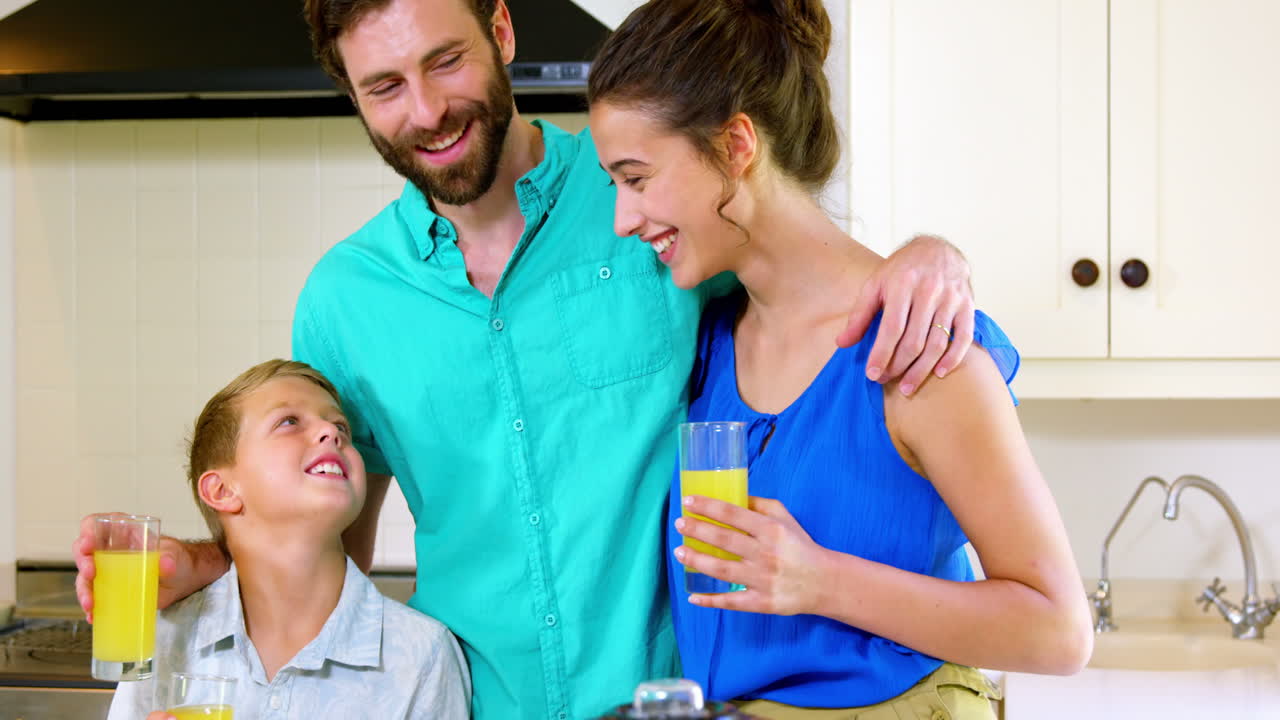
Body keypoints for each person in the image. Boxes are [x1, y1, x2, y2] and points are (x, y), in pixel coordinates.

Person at [74, 1, 981, 718]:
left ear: (502, 30)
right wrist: (208, 564)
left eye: (445, 60)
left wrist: (930, 254)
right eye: (383, 85)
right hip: (468, 706)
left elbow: (801, 263)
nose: (425, 112)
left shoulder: (645, 196)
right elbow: (316, 564)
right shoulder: (344, 301)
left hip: (680, 704)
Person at [586, 0, 1094, 717]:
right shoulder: (710, 341)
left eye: (636, 179)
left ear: (736, 146)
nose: (622, 219)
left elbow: (1059, 630)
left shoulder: (920, 350)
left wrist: (819, 579)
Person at [105, 360, 470, 720]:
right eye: (289, 422)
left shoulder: (421, 654)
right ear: (221, 490)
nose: (332, 432)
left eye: (340, 424)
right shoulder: (166, 637)